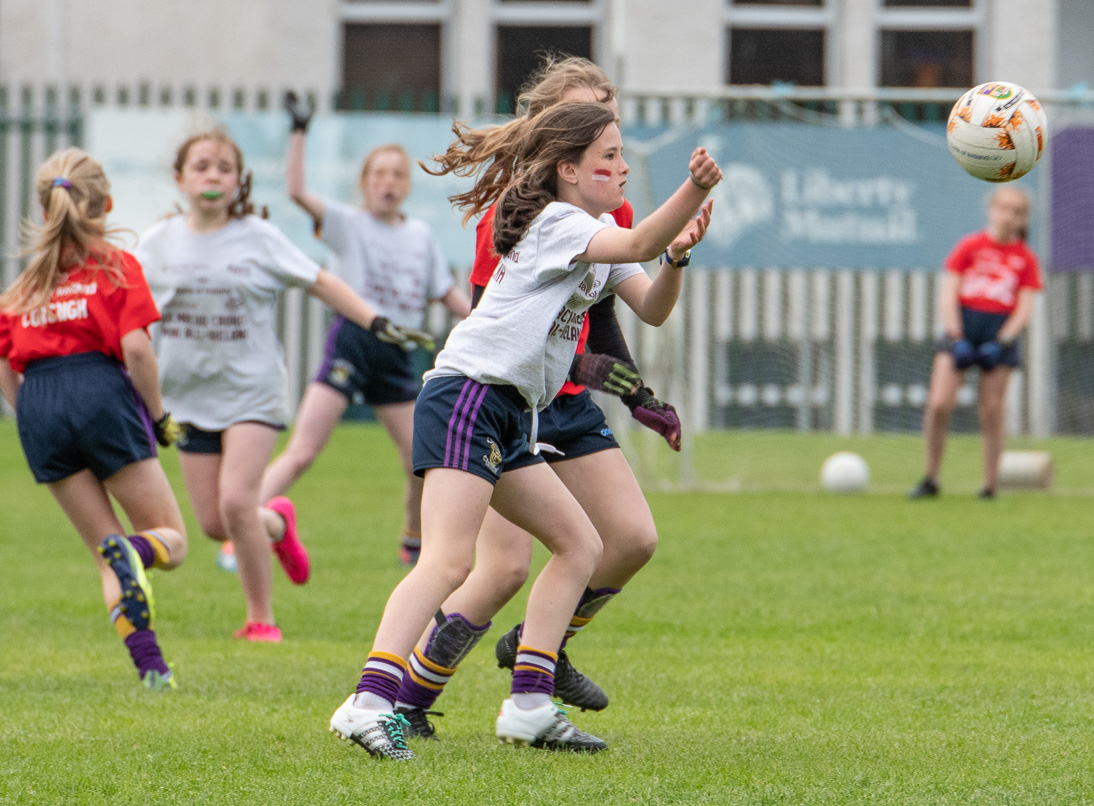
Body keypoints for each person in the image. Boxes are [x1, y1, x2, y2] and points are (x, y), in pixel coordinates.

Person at [328, 100, 721, 760]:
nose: (623, 167)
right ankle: (366, 703)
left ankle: (530, 705)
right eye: (610, 158)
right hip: (466, 397)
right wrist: (695, 188)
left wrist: (677, 261)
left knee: (578, 545)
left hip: (509, 411)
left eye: (622, 154)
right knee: (449, 561)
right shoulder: (559, 222)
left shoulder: (592, 231)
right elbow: (636, 241)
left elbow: (651, 306)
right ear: (568, 170)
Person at [137, 129, 426, 642]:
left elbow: (321, 281)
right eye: (202, 166)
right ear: (180, 178)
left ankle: (260, 620)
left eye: (224, 168)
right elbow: (126, 311)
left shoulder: (257, 237)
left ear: (237, 181)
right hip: (190, 400)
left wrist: (374, 320)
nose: (213, 176)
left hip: (253, 392)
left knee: (234, 502)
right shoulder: (158, 245)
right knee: (217, 524)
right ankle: (278, 524)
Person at [0, 147, 188, 690]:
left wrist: (31, 409)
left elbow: (5, 367)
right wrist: (158, 417)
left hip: (38, 403)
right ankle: (135, 550)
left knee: (103, 553)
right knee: (168, 540)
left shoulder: (23, 287)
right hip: (98, 392)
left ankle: (152, 669)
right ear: (105, 203)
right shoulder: (115, 265)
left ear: (45, 210)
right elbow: (137, 351)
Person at [257, 93, 471, 567]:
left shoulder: (420, 236)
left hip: (396, 354)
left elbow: (446, 294)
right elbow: (295, 191)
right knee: (304, 451)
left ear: (407, 185)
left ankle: (413, 542)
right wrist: (299, 130)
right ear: (365, 183)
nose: (388, 183)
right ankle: (245, 526)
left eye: (397, 174)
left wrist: (482, 317)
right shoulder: (347, 224)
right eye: (379, 174)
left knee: (422, 459)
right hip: (352, 343)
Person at [909, 186, 1043, 500]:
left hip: (999, 332)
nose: (1009, 217)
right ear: (991, 210)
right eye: (1004, 208)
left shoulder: (1025, 259)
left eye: (1017, 212)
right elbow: (948, 292)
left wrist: (1002, 341)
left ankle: (990, 485)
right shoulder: (969, 246)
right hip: (963, 327)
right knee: (940, 403)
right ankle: (931, 477)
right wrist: (957, 336)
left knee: (992, 410)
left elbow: (1024, 308)